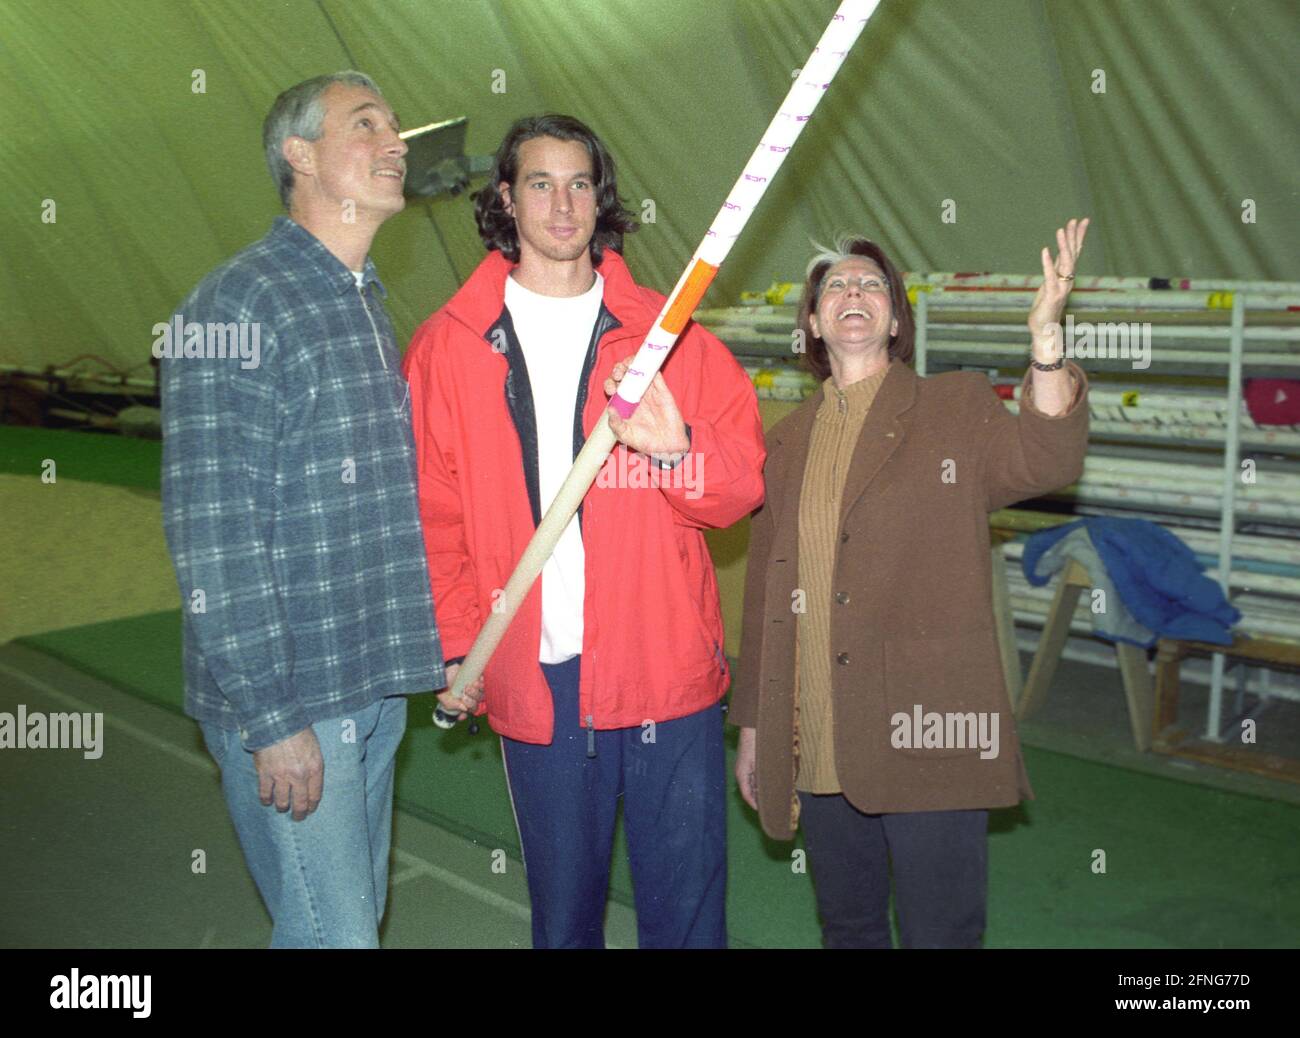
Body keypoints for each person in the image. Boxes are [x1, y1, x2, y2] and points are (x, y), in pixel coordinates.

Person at [403, 113, 765, 948]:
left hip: (665, 670)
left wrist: (678, 454)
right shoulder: (449, 347)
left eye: (580, 184)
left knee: (687, 914)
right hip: (539, 680)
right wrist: (462, 645)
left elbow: (740, 487)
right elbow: (436, 517)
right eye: (540, 183)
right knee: (563, 921)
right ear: (506, 198)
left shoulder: (668, 336)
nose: (563, 204)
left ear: (601, 200)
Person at [160, 71, 468, 948]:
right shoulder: (237, 305)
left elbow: (381, 512)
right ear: (299, 155)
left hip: (366, 684)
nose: (396, 143)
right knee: (339, 937)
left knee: (343, 923)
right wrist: (272, 717)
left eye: (396, 124)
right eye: (366, 125)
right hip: (298, 700)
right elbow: (213, 536)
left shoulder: (362, 303)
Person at [731, 219, 1092, 948]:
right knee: (848, 924)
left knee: (940, 931)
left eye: (872, 285)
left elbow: (1045, 462)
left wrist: (1046, 342)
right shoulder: (785, 441)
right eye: (836, 286)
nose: (854, 293)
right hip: (821, 728)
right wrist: (755, 727)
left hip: (930, 726)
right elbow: (769, 595)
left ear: (895, 320)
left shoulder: (952, 407)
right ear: (812, 322)